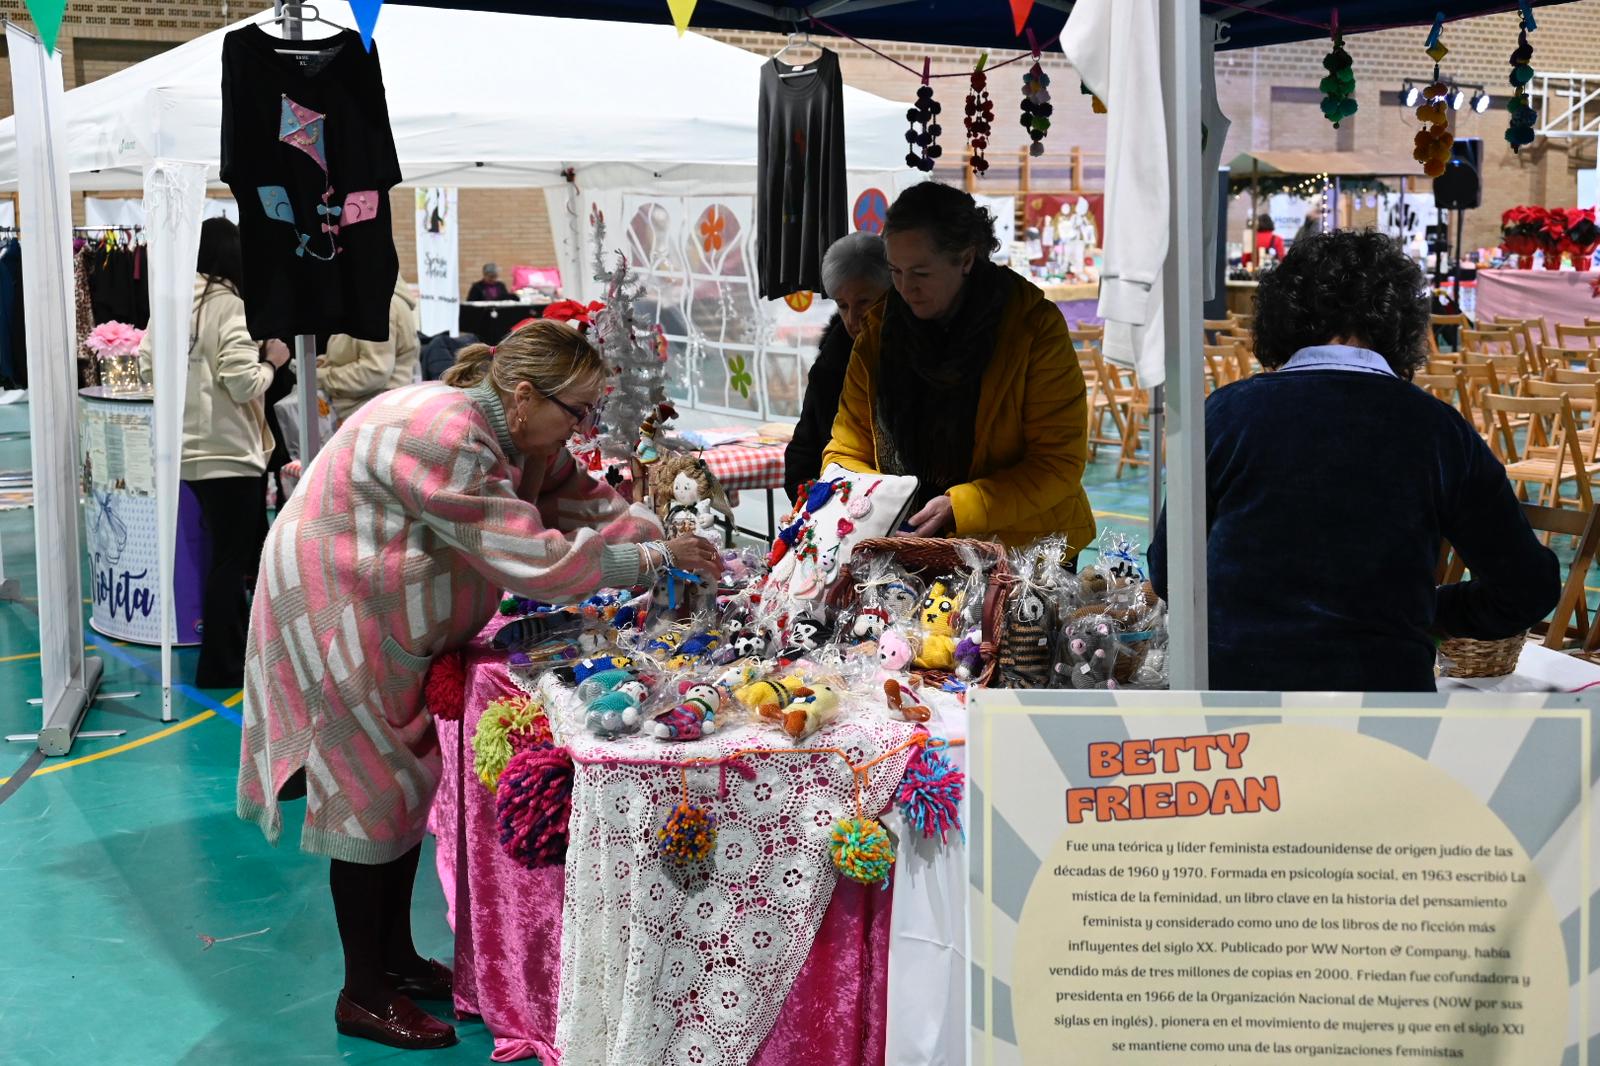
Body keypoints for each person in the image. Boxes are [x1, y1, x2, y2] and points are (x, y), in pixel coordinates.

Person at [236, 321, 720, 1050]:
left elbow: (586, 505)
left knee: (403, 785)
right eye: (577, 410)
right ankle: (362, 992)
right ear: (524, 395)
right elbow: (534, 560)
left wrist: (658, 535)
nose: (583, 428)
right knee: (371, 793)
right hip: (337, 610)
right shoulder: (450, 436)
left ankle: (394, 959)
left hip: (382, 615)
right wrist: (651, 563)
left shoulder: (524, 436)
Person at [1149, 230, 1558, 691]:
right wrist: (1432, 610)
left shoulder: (1226, 413)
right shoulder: (1439, 429)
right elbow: (1528, 589)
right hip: (1383, 702)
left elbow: (1169, 572)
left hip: (1238, 708)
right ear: (1400, 323)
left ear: (1284, 317)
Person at [822, 181, 1095, 552]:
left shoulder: (1032, 330)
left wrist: (962, 506)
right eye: (895, 272)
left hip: (1024, 551)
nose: (904, 288)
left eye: (920, 273)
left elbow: (1057, 462)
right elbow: (844, 451)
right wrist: (886, 500)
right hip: (907, 544)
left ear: (966, 259)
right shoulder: (879, 334)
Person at [139, 217, 289, 688]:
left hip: (187, 452)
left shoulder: (170, 305)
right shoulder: (230, 307)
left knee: (224, 558)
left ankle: (228, 655)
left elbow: (147, 367)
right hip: (231, 452)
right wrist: (271, 363)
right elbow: (243, 382)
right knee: (234, 560)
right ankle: (223, 665)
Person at [784, 232, 891, 500]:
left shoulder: (918, 356)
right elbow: (803, 454)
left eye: (864, 302)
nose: (853, 318)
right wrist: (818, 506)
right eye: (843, 306)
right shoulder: (830, 366)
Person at [317, 272, 422, 421]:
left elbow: (375, 370)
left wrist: (322, 377)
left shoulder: (375, 303)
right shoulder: (376, 298)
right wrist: (326, 362)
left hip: (369, 415)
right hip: (373, 412)